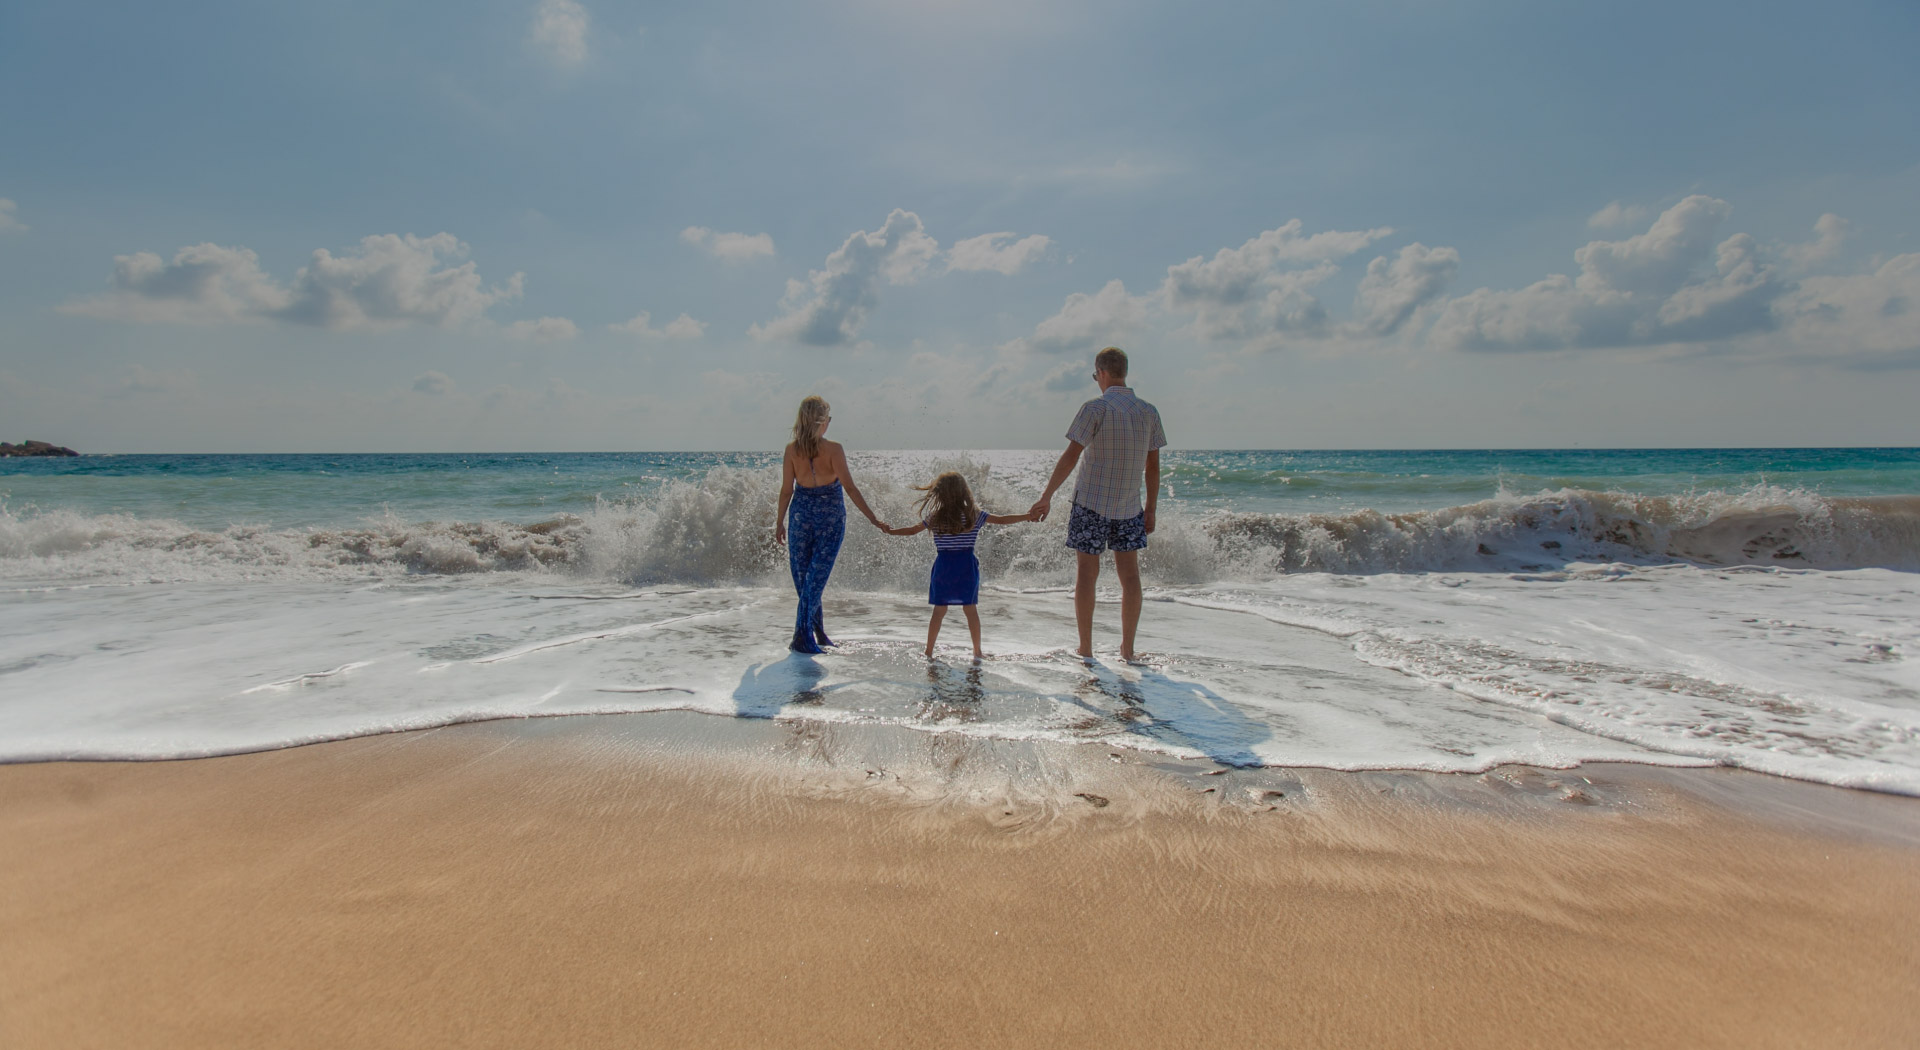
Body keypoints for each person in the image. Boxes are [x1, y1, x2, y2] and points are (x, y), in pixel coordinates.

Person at [1027, 347, 1167, 661]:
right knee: (1130, 577)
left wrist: (1046, 496)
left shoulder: (1095, 409)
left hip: (1090, 504)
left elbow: (1070, 457)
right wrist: (1152, 508)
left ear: (1101, 373)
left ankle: (1086, 649)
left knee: (1087, 575)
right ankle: (1127, 650)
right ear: (1124, 372)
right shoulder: (1148, 411)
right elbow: (1153, 468)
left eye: (1095, 376)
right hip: (1130, 507)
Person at [774, 396, 887, 654]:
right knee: (813, 580)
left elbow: (786, 491)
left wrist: (780, 521)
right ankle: (803, 635)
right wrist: (873, 518)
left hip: (801, 516)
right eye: (829, 418)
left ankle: (816, 633)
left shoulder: (792, 450)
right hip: (830, 519)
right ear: (822, 422)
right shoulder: (834, 449)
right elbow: (849, 487)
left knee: (807, 580)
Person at [884, 471, 1034, 659]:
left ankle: (929, 651)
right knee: (970, 610)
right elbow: (1002, 520)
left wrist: (891, 532)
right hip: (966, 567)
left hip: (944, 567)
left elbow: (913, 531)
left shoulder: (935, 517)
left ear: (939, 494)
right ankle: (977, 652)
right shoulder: (973, 515)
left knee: (939, 611)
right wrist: (1027, 516)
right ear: (964, 492)